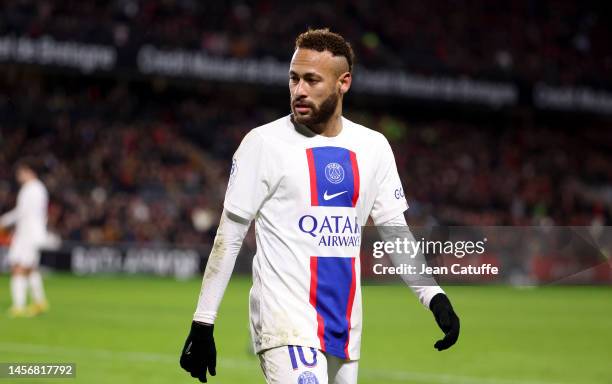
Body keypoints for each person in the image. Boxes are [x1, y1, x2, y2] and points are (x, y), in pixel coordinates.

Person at [180, 28, 460, 384]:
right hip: (285, 323)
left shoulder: (372, 148)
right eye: (294, 79)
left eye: (312, 80)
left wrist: (432, 295)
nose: (299, 90)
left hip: (344, 324)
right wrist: (203, 322)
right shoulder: (263, 144)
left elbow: (394, 232)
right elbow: (229, 236)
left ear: (343, 83)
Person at [1, 159, 49, 318]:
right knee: (30, 268)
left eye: (20, 172)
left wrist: (4, 221)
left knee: (18, 266)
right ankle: (39, 302)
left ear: (29, 171)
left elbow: (23, 212)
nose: (18, 176)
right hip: (33, 233)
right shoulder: (39, 188)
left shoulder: (31, 189)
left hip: (28, 233)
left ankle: (19, 306)